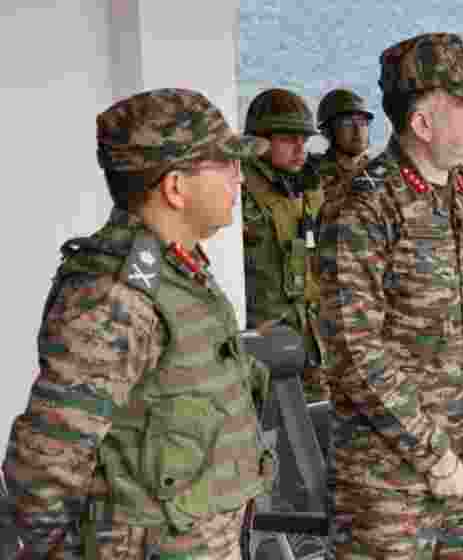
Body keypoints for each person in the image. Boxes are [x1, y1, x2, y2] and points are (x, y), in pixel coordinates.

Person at [0, 88, 273, 559]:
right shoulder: (118, 294)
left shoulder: (176, 272)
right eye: (225, 165)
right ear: (174, 187)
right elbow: (47, 457)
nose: (240, 178)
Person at [318, 32, 463, 559]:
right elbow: (354, 352)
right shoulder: (361, 206)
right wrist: (433, 456)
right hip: (390, 486)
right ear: (422, 123)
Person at [241, 88, 328, 402]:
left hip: (310, 340)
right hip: (262, 342)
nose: (300, 148)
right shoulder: (238, 189)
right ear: (260, 141)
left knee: (316, 432)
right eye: (289, 139)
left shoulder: (308, 186)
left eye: (304, 139)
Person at [311, 87, 374, 203]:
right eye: (347, 122)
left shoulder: (379, 172)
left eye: (362, 122)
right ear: (327, 131)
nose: (358, 129)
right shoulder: (311, 174)